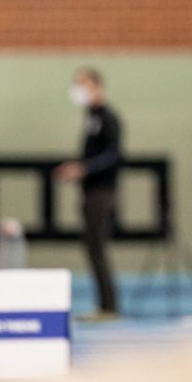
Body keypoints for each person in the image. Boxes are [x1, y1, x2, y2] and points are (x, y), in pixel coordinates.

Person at [55, 68, 123, 321]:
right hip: (91, 191)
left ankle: (110, 306)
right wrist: (77, 168)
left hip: (102, 193)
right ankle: (105, 305)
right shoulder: (91, 117)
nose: (77, 90)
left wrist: (85, 168)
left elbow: (113, 155)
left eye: (81, 85)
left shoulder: (108, 118)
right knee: (92, 248)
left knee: (98, 248)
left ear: (96, 86)